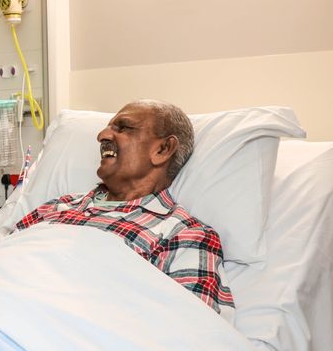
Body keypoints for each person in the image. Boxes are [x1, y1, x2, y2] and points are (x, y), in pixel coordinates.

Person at [13, 100, 235, 319]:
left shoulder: (184, 235)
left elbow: (193, 333)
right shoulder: (55, 208)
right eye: (108, 127)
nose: (102, 136)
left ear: (163, 149)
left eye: (123, 128)